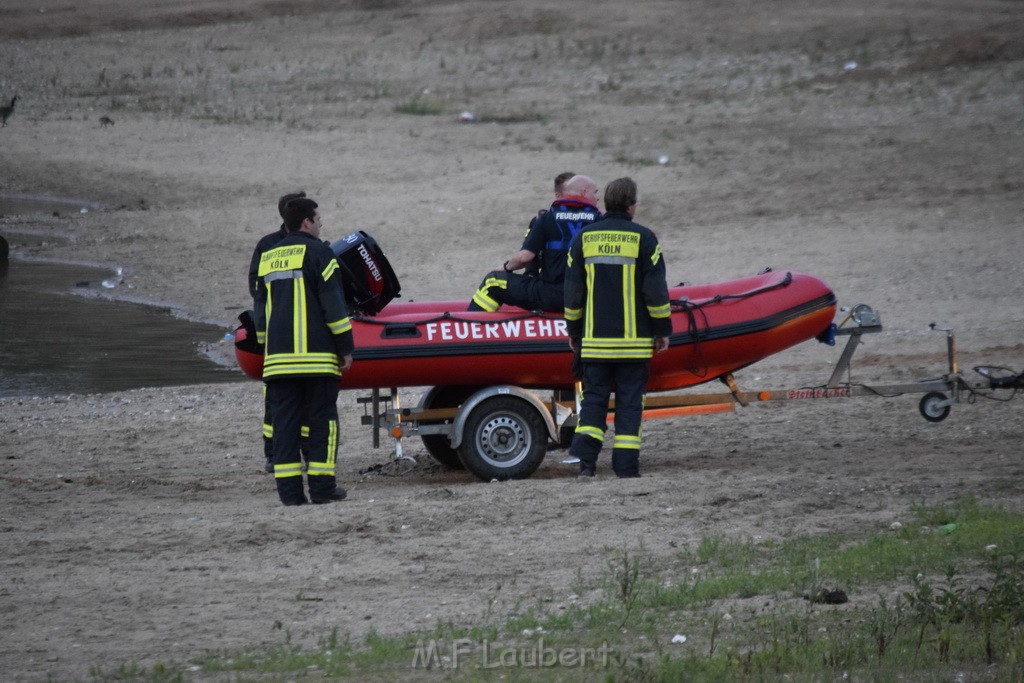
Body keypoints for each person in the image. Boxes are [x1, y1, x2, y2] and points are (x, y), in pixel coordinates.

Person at [564, 177, 672, 478]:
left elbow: (573, 293)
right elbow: (655, 293)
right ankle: (625, 468)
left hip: (595, 343)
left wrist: (574, 331)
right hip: (634, 344)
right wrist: (662, 329)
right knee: (629, 405)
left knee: (593, 402)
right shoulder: (644, 238)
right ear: (631, 205)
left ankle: (586, 464)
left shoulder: (583, 238)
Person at [254, 197, 355, 506]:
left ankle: (290, 496)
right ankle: (323, 491)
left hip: (279, 362)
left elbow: (260, 311)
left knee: (284, 428)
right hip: (316, 359)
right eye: (318, 218)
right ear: (306, 223)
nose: (321, 222)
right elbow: (334, 307)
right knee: (323, 423)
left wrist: (265, 349)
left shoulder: (268, 256)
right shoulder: (320, 253)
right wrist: (345, 348)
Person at [467, 174, 601, 313]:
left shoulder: (547, 217)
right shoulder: (600, 220)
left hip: (551, 296)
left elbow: (524, 258)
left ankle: (468, 327)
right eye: (595, 192)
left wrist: (505, 268)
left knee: (492, 282)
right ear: (584, 192)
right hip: (587, 298)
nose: (597, 197)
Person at [248, 191, 308, 473]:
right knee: (275, 403)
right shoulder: (268, 246)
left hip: (302, 335)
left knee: (304, 400)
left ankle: (303, 452)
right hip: (279, 335)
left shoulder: (313, 246)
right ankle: (274, 454)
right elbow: (258, 292)